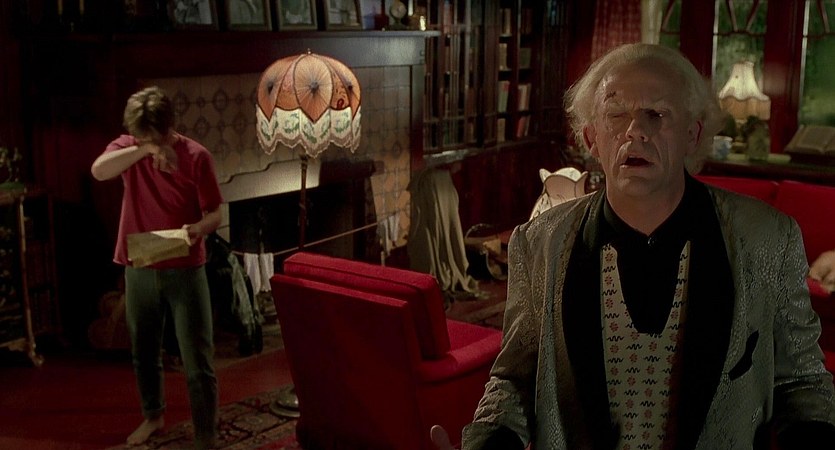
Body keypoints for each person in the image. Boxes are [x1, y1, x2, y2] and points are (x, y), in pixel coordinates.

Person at [444, 43, 835, 449]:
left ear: (692, 134)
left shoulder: (767, 239)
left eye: (656, 114)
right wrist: (489, 444)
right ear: (591, 138)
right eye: (617, 114)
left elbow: (802, 383)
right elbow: (513, 381)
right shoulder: (539, 243)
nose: (635, 131)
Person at [91, 86, 224, 449]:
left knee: (197, 357)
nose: (148, 141)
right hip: (141, 264)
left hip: (185, 267)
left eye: (154, 136)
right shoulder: (129, 148)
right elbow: (99, 171)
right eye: (141, 135)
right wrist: (144, 149)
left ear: (169, 127)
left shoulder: (196, 156)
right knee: (144, 350)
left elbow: (216, 212)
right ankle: (153, 416)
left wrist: (198, 228)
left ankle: (206, 434)